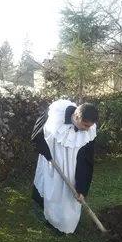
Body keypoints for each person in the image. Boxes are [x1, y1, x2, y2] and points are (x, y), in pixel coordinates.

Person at [30, 99, 98, 234]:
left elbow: (86, 161)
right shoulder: (56, 112)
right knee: (51, 189)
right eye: (85, 125)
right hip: (52, 163)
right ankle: (51, 217)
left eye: (90, 126)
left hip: (72, 169)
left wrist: (82, 189)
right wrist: (46, 153)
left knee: (67, 198)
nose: (87, 129)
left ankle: (63, 223)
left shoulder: (89, 131)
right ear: (76, 116)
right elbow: (37, 134)